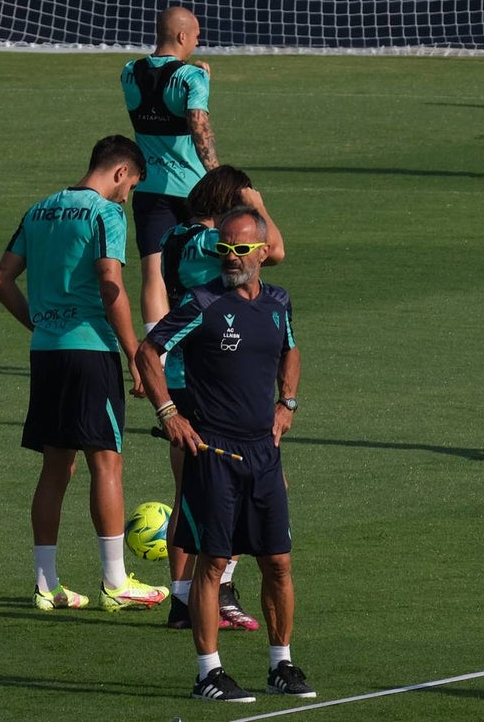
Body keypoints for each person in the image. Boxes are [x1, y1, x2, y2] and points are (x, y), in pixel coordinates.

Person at [137, 207, 314, 702]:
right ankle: (208, 674)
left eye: (240, 249)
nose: (230, 258)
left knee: (278, 562)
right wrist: (169, 414)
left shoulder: (278, 302)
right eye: (223, 249)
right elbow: (147, 352)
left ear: (263, 251)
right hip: (214, 452)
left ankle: (281, 665)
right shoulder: (202, 303)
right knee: (213, 563)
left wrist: (287, 402)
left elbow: (290, 348)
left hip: (264, 453)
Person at [0, 135, 170, 612]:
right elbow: (111, 284)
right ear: (120, 172)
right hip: (91, 352)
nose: (127, 197)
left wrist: (39, 323)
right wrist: (134, 353)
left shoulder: (39, 210)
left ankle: (46, 585)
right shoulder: (105, 213)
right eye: (131, 185)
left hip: (46, 353)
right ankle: (115, 581)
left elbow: (1, 281)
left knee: (56, 467)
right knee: (106, 461)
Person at [157, 166, 285, 633]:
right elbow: (275, 251)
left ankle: (182, 599)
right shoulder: (213, 243)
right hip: (209, 377)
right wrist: (259, 206)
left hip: (178, 371)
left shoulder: (173, 237)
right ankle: (220, 589)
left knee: (188, 494)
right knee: (248, 488)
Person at [121, 6, 219, 338]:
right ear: (181, 36)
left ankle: (157, 352)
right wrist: (217, 175)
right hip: (194, 190)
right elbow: (198, 126)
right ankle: (205, 342)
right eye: (196, 36)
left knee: (153, 272)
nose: (197, 42)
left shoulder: (129, 73)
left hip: (150, 190)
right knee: (204, 264)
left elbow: (156, 95)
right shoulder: (192, 78)